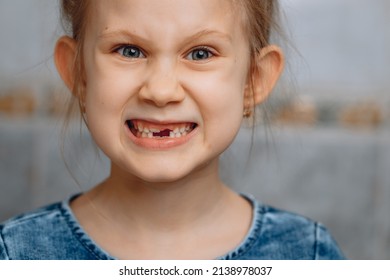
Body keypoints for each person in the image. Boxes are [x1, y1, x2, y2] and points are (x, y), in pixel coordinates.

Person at [0, 0, 344, 260]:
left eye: (200, 53)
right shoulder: (16, 255)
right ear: (79, 73)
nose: (161, 91)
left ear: (253, 81)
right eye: (129, 50)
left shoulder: (308, 256)